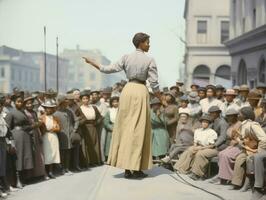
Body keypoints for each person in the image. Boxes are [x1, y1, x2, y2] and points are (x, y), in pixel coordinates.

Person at [83, 32, 160, 179]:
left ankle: (127, 168)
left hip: (127, 91)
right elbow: (155, 84)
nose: (149, 45)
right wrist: (160, 98)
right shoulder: (150, 60)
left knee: (125, 129)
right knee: (139, 129)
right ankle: (136, 168)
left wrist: (92, 62)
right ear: (141, 43)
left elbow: (107, 69)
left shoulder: (126, 57)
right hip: (140, 92)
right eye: (147, 42)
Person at [174, 115, 218, 180]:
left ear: (208, 123)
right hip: (199, 146)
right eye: (203, 122)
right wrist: (195, 147)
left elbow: (212, 145)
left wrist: (200, 148)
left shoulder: (211, 132)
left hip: (209, 148)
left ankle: (197, 173)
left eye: (206, 122)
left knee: (199, 153)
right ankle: (181, 168)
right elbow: (195, 141)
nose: (204, 123)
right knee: (190, 150)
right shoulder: (198, 131)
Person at [5, 92, 34, 187]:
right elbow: (7, 128)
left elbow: (26, 124)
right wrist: (10, 141)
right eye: (18, 102)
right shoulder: (11, 113)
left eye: (21, 102)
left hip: (24, 136)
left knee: (24, 157)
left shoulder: (22, 112)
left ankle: (22, 179)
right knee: (18, 158)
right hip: (16, 137)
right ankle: (17, 181)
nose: (20, 103)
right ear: (14, 102)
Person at [213, 108, 242, 185]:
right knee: (221, 153)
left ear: (235, 116)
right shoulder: (230, 124)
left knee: (225, 155)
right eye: (228, 116)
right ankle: (222, 176)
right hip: (231, 145)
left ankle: (227, 178)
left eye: (231, 116)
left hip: (238, 146)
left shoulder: (239, 124)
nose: (229, 118)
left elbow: (240, 138)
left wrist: (233, 143)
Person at [23, 93, 46, 180]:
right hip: (29, 133)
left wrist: (39, 124)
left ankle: (39, 174)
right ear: (25, 105)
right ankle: (30, 175)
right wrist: (35, 124)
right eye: (28, 104)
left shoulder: (34, 112)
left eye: (31, 103)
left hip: (36, 132)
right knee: (31, 154)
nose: (30, 105)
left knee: (38, 153)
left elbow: (37, 121)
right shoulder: (24, 112)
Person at [79, 90, 103, 166]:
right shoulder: (79, 108)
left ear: (89, 99)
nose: (85, 100)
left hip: (93, 127)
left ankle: (95, 161)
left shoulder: (94, 107)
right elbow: (77, 119)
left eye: (87, 98)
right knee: (86, 145)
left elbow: (100, 117)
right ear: (81, 100)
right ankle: (87, 162)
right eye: (84, 99)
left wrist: (96, 123)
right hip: (84, 128)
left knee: (94, 143)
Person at [39, 99, 61, 179]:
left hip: (53, 136)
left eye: (51, 108)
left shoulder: (55, 118)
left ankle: (51, 171)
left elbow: (58, 128)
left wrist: (53, 129)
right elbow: (40, 128)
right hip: (45, 137)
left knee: (53, 154)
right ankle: (45, 172)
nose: (49, 109)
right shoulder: (42, 117)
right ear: (45, 108)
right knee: (46, 153)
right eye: (47, 108)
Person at [103, 96, 119, 161]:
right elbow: (106, 122)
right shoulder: (109, 111)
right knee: (110, 144)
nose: (115, 103)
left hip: (120, 129)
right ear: (111, 103)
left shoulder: (122, 110)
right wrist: (111, 128)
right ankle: (109, 158)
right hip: (111, 129)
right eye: (114, 102)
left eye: (117, 102)